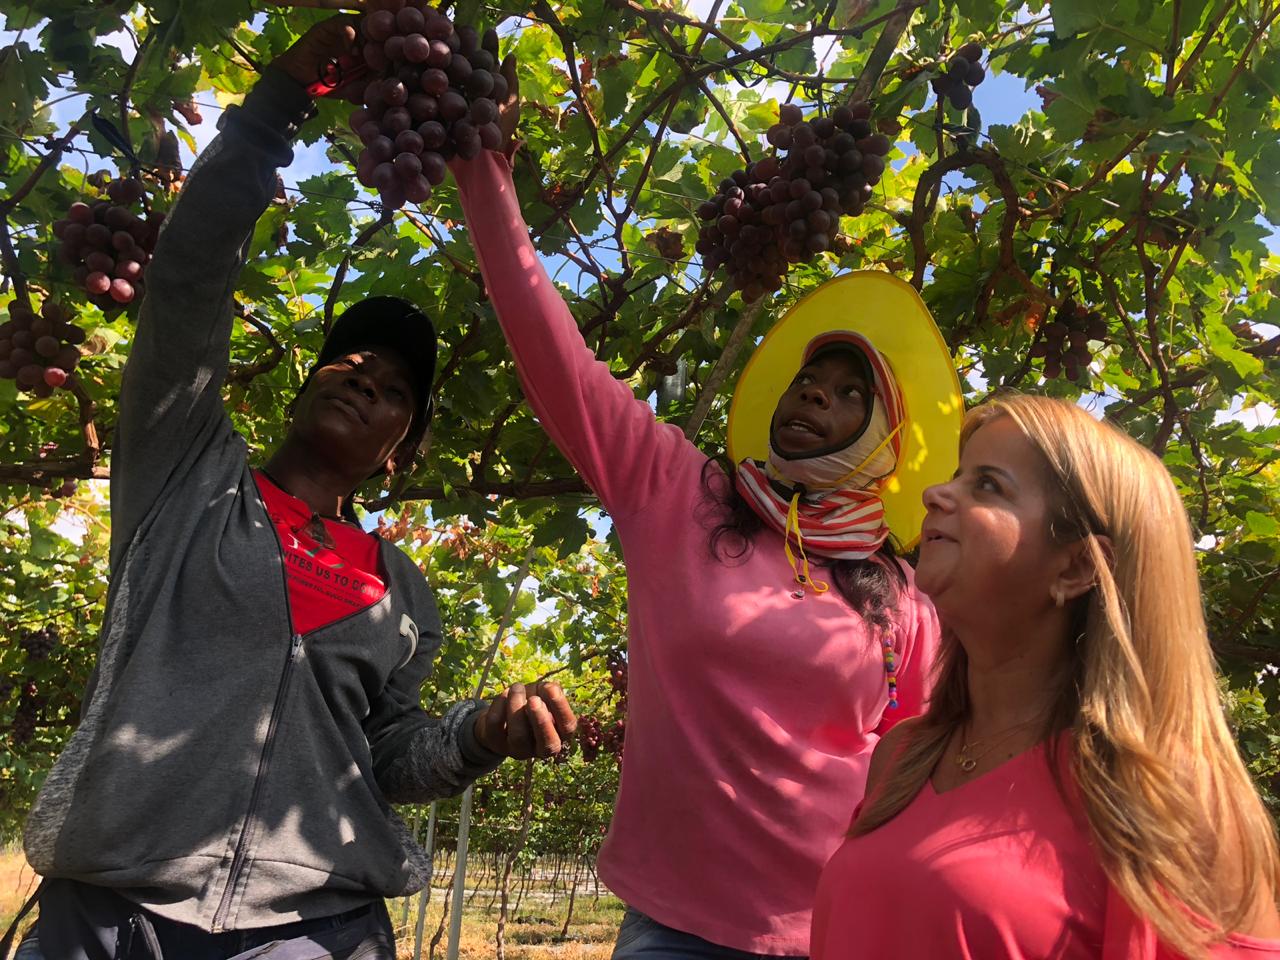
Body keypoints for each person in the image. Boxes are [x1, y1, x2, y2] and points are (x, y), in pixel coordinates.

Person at [9, 19, 576, 960]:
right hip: (112, 915)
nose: (364, 378)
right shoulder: (185, 477)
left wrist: (478, 735)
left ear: (401, 448)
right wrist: (271, 111)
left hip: (314, 931)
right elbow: (187, 282)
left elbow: (389, 760)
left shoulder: (403, 594)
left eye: (395, 389)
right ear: (303, 384)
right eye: (348, 360)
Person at [448, 60, 962, 958]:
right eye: (808, 377)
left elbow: (918, 761)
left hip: (842, 929)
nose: (813, 397)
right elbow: (556, 357)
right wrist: (483, 174)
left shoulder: (903, 597)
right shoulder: (679, 494)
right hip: (674, 931)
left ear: (880, 439)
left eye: (848, 393)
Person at [811, 394, 1280, 959]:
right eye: (957, 476)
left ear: (1078, 565)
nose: (935, 494)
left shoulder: (1170, 800)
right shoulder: (900, 759)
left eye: (987, 486)